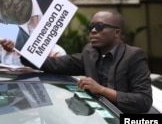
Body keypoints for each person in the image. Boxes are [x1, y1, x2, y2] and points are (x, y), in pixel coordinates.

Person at [20, 9, 152, 114]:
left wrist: (101, 90)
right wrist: (21, 49)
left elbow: (144, 101)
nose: (93, 31)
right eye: (91, 27)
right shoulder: (89, 53)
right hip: (97, 123)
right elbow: (56, 65)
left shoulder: (134, 55)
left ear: (116, 33)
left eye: (100, 26)